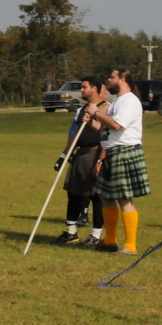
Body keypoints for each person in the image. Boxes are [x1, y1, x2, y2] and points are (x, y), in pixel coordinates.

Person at [84, 68, 149, 255]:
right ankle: (110, 240)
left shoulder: (129, 100)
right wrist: (92, 121)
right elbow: (106, 129)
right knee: (105, 197)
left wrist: (96, 113)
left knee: (124, 199)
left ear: (122, 80)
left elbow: (117, 125)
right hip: (112, 152)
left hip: (124, 151)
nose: (109, 79)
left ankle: (130, 246)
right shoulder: (117, 102)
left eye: (112, 77)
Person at [55, 76, 109, 248]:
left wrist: (101, 159)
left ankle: (95, 236)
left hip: (96, 154)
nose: (82, 90)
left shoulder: (107, 108)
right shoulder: (81, 110)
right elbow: (75, 136)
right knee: (73, 193)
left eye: (85, 87)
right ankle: (71, 233)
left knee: (96, 196)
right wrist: (64, 156)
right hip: (80, 155)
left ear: (95, 89)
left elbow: (108, 135)